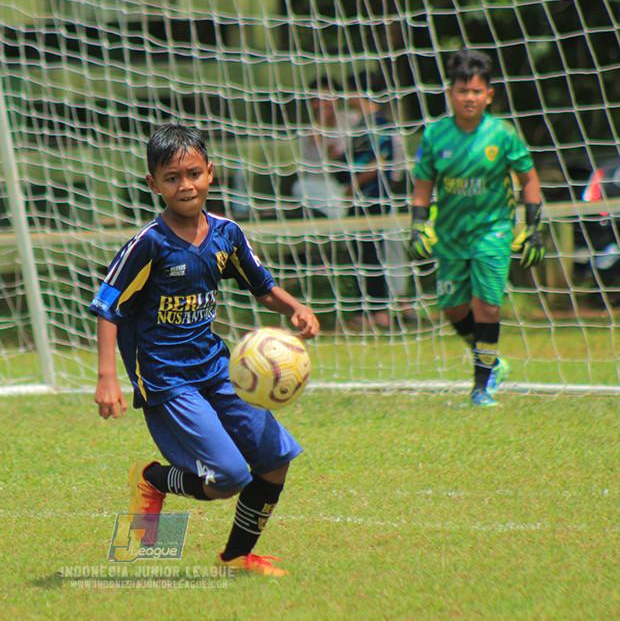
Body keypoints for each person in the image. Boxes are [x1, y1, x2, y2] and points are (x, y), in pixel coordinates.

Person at [90, 122, 320, 577]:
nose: (185, 185)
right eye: (172, 178)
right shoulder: (149, 244)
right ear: (153, 184)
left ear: (210, 173)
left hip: (217, 369)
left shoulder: (227, 234)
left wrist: (294, 307)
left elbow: (262, 286)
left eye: (193, 173)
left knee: (275, 460)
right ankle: (151, 478)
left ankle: (237, 556)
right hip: (166, 378)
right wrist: (108, 378)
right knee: (228, 478)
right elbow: (107, 307)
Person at [408, 48, 544, 407]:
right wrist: (418, 226)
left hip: (493, 233)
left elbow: (529, 180)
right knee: (453, 309)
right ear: (451, 93)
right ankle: (492, 361)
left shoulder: (503, 134)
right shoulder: (436, 135)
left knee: (488, 308)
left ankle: (481, 387)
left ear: (489, 95)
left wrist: (533, 228)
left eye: (476, 91)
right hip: (451, 235)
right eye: (462, 91)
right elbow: (422, 187)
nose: (469, 97)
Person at [342, 70, 398, 330]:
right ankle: (370, 309)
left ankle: (378, 312)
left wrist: (354, 185)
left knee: (371, 254)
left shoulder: (378, 123)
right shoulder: (363, 122)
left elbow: (380, 162)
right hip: (364, 198)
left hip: (374, 197)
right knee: (364, 253)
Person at [294, 76, 349, 220]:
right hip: (316, 184)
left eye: (326, 98)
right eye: (316, 100)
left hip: (347, 183)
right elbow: (314, 142)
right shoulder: (309, 131)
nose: (321, 104)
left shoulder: (350, 121)